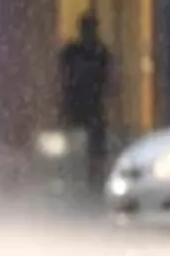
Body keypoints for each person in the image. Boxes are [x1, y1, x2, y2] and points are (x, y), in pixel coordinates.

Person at [58, 11, 112, 193]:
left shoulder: (99, 53)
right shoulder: (73, 52)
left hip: (90, 103)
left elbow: (106, 80)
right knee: (78, 140)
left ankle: (92, 176)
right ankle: (78, 175)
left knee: (95, 141)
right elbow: (64, 78)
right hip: (79, 102)